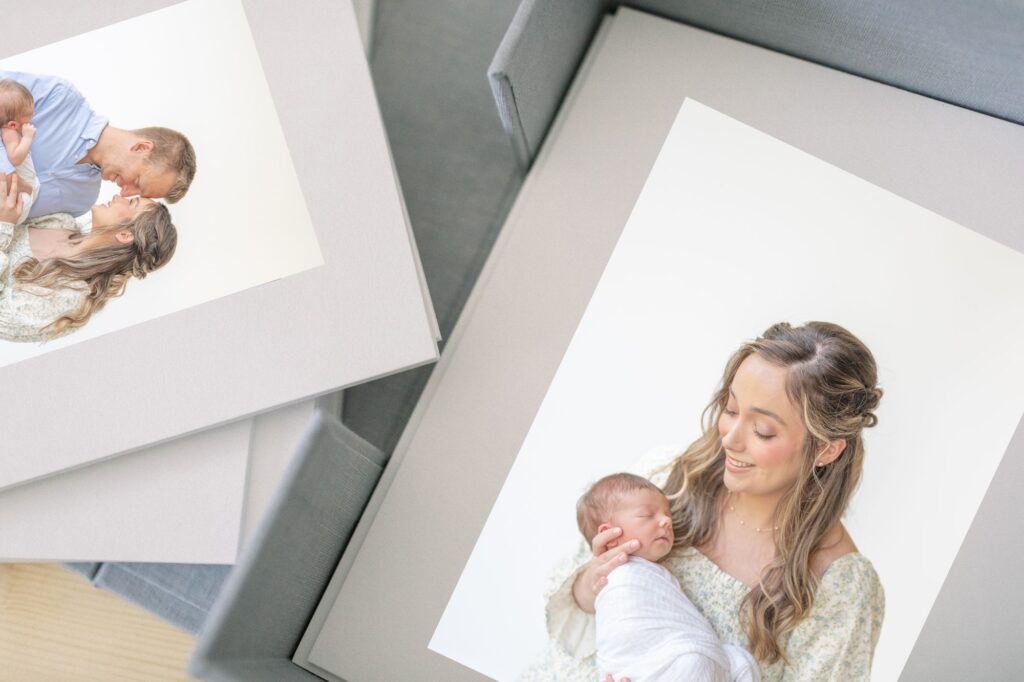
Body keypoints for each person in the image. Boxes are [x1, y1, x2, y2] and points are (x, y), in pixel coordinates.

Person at [522, 322, 885, 682]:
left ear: (825, 449)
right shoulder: (666, 479)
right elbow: (570, 617)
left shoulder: (840, 586)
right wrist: (595, 580)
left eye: (762, 431)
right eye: (730, 409)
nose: (731, 438)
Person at [578, 472, 760, 682]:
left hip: (689, 656)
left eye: (668, 516)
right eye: (647, 515)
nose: (665, 521)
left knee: (739, 663)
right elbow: (622, 636)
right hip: (646, 669)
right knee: (692, 660)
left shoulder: (656, 575)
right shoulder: (619, 577)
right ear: (609, 534)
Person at [0, 173, 177, 342]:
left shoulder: (72, 297)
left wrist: (4, 226)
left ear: (125, 235)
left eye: (131, 203)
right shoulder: (60, 221)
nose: (119, 197)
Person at [0, 70, 196, 219]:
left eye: (136, 194)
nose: (124, 192)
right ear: (141, 148)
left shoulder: (81, 202)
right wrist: (8, 172)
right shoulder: (58, 98)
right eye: (137, 182)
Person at [0, 79, 39, 223]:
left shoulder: (9, 129)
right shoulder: (9, 132)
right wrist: (28, 137)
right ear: (12, 124)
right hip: (23, 192)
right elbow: (15, 157)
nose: (31, 122)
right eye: (29, 118)